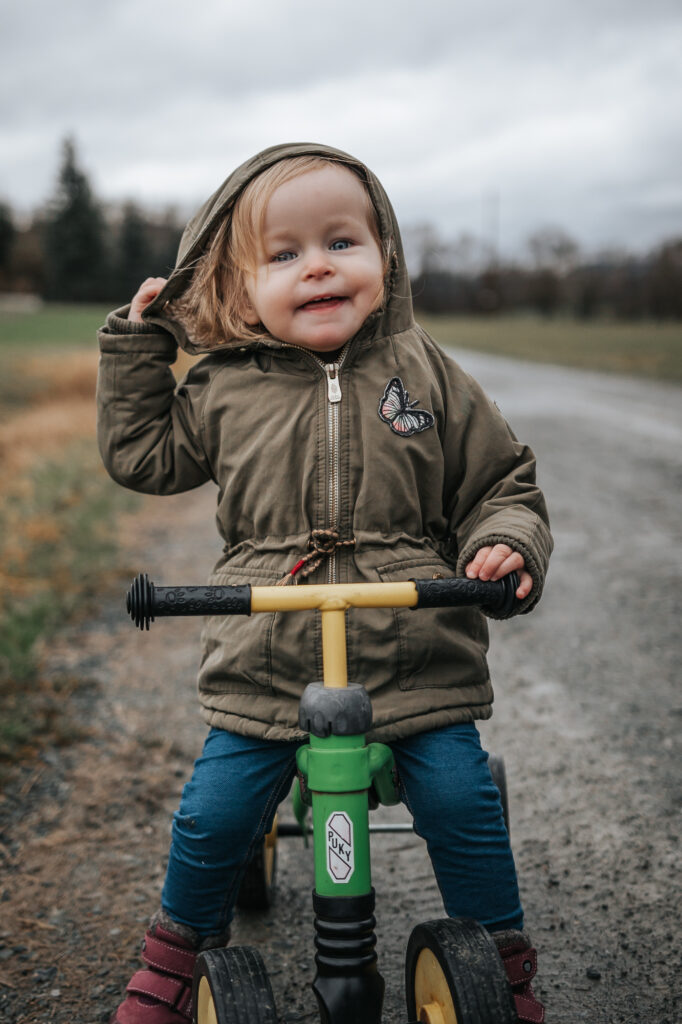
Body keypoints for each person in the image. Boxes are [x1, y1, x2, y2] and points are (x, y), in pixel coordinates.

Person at [97, 143, 552, 1024]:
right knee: (217, 813)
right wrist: (141, 347)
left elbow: (503, 481)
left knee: (462, 800)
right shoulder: (224, 385)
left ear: (384, 252)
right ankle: (173, 951)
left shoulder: (427, 374)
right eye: (283, 254)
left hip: (414, 649)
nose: (317, 266)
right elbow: (141, 456)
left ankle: (505, 963)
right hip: (269, 650)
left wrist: (505, 543)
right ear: (236, 287)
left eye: (342, 241)